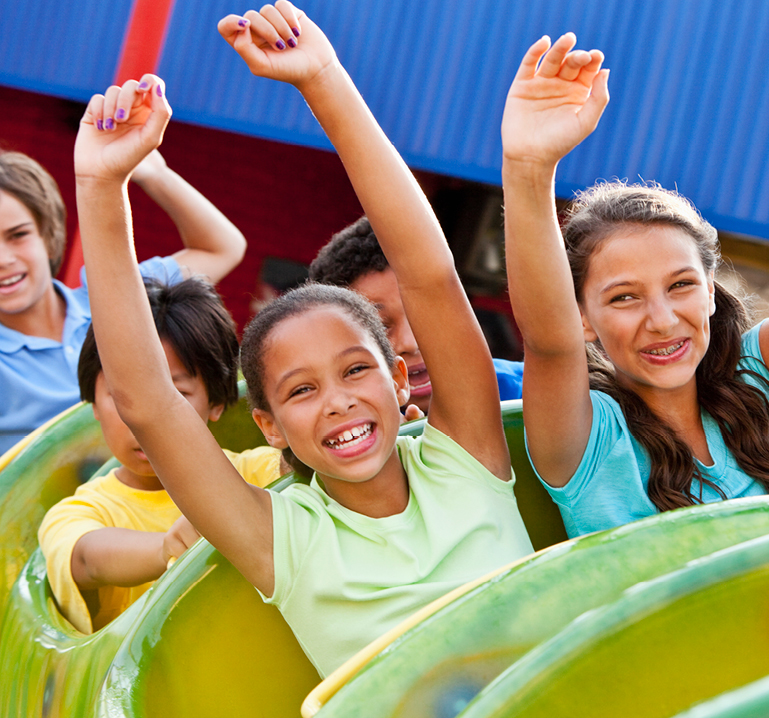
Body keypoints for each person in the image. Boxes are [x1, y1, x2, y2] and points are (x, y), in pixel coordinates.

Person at [72, 2, 532, 678]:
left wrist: (322, 78)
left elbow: (429, 274)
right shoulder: (283, 538)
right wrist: (100, 185)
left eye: (355, 370)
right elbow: (147, 401)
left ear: (398, 380)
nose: (338, 401)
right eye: (301, 390)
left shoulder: (466, 458)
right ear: (270, 426)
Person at [500, 11, 769, 536]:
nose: (661, 319)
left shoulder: (758, 384)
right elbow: (548, 338)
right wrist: (527, 170)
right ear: (582, 318)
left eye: (681, 285)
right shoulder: (589, 440)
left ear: (710, 292)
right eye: (624, 297)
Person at [37, 277, 283, 634]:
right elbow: (86, 558)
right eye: (123, 395)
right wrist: (166, 548)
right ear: (93, 404)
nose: (145, 418)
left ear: (216, 402)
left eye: (174, 394)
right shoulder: (85, 510)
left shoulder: (259, 473)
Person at [0, 147, 247, 454]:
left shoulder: (114, 293)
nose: (4, 259)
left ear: (48, 236)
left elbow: (223, 248)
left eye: (18, 235)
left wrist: (154, 174)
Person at [308, 216, 523, 416]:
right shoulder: (336, 429)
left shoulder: (526, 395)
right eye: (379, 327)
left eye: (424, 315)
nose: (410, 344)